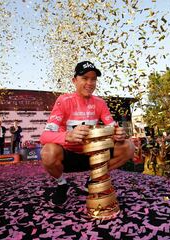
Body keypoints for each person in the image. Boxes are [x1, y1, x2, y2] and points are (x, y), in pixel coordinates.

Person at [40, 61, 134, 206]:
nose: (90, 83)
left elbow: (113, 127)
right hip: (69, 157)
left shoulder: (100, 102)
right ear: (74, 80)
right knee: (48, 152)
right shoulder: (63, 100)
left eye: (93, 79)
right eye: (85, 78)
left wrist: (119, 134)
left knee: (128, 146)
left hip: (93, 155)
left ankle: (93, 179)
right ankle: (62, 184)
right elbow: (45, 136)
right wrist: (68, 136)